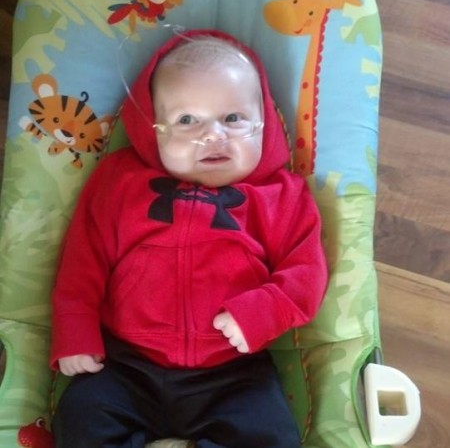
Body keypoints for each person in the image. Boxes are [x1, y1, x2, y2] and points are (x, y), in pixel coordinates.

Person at [50, 29, 328, 448]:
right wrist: (75, 328)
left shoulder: (281, 196)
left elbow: (306, 271)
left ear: (265, 124)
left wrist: (262, 311)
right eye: (186, 120)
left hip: (233, 371)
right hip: (125, 364)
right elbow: (82, 259)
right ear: (153, 130)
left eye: (233, 118)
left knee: (270, 436)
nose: (213, 135)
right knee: (79, 423)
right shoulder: (120, 182)